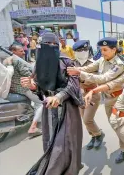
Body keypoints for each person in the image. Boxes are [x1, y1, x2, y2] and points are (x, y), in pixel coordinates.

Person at [24, 32, 84, 175]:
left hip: (66, 109)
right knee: (50, 140)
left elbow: (73, 85)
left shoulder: (67, 61)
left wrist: (59, 96)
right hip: (48, 108)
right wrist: (33, 86)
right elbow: (41, 88)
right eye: (46, 45)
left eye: (54, 45)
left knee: (65, 143)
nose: (50, 47)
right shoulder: (38, 64)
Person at [67, 37, 124, 164]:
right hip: (107, 98)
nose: (102, 52)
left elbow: (103, 78)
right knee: (114, 125)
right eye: (101, 49)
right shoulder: (102, 60)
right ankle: (123, 144)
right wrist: (76, 70)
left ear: (114, 50)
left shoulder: (118, 64)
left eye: (105, 50)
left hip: (118, 99)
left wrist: (79, 73)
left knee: (119, 126)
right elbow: (89, 68)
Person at [72, 40, 105, 150]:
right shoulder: (73, 63)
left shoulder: (93, 64)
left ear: (87, 50)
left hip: (93, 93)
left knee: (87, 119)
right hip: (80, 94)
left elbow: (95, 79)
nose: (82, 52)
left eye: (84, 50)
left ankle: (99, 134)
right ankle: (94, 136)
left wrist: (80, 77)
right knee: (84, 118)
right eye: (79, 50)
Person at [4, 44, 42, 137]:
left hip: (13, 88)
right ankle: (33, 127)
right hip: (23, 87)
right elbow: (28, 74)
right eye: (21, 51)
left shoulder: (6, 60)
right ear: (14, 51)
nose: (24, 52)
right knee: (41, 102)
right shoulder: (17, 60)